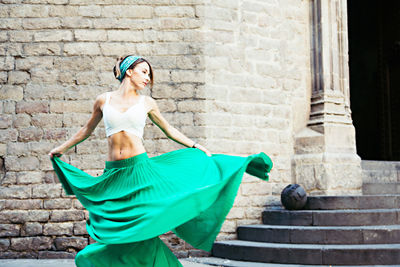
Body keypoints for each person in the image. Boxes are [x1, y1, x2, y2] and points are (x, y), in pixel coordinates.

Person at [49, 55, 273, 267]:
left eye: (149, 75)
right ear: (129, 71)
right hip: (113, 175)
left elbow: (169, 130)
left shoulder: (147, 103)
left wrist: (194, 145)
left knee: (142, 226)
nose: (147, 78)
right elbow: (86, 130)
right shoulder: (103, 100)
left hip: (140, 171)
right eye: (144, 72)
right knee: (120, 229)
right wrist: (60, 149)